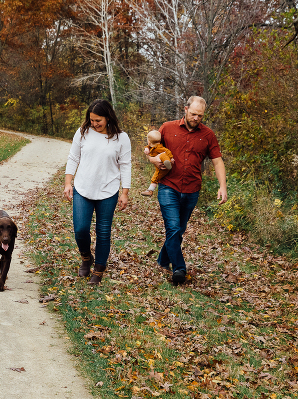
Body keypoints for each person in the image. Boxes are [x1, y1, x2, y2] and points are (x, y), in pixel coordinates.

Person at [149, 96, 227, 284]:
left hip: (192, 189)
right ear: (185, 109)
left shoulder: (208, 135)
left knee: (179, 229)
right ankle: (179, 269)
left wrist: (222, 186)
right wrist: (154, 161)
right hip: (169, 185)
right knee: (174, 227)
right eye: (193, 114)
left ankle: (163, 259)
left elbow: (217, 161)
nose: (196, 118)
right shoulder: (167, 128)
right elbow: (151, 151)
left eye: (200, 115)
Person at [63, 99, 131, 286]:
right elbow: (73, 157)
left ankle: (99, 270)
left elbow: (125, 166)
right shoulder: (83, 132)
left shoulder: (121, 138)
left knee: (103, 232)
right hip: (83, 188)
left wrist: (124, 192)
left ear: (108, 117)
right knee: (80, 229)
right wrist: (68, 182)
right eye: (92, 120)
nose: (94, 124)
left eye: (98, 120)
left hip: (108, 191)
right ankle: (86, 258)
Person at [141, 130, 173, 197]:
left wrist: (171, 158)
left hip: (162, 167)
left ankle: (150, 191)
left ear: (149, 141)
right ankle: (167, 161)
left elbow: (168, 151)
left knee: (155, 178)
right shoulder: (152, 147)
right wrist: (146, 149)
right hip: (161, 164)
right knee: (162, 155)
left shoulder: (159, 148)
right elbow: (147, 146)